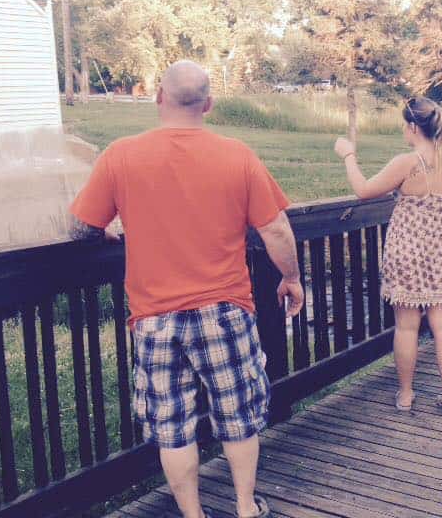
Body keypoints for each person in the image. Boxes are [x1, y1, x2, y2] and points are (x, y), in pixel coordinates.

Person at [70, 61, 303, 518]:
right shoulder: (237, 155)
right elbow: (275, 229)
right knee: (237, 416)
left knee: (173, 426)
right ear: (209, 104)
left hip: (155, 318)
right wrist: (291, 278)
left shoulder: (120, 155)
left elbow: (81, 228)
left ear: (159, 97)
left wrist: (107, 233)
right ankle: (244, 507)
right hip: (225, 310)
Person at [334, 96, 442, 418]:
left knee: (407, 328)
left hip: (407, 252)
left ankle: (406, 394)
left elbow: (364, 190)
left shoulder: (406, 163)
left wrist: (349, 155)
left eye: (404, 125)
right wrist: (438, 210)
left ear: (413, 127)